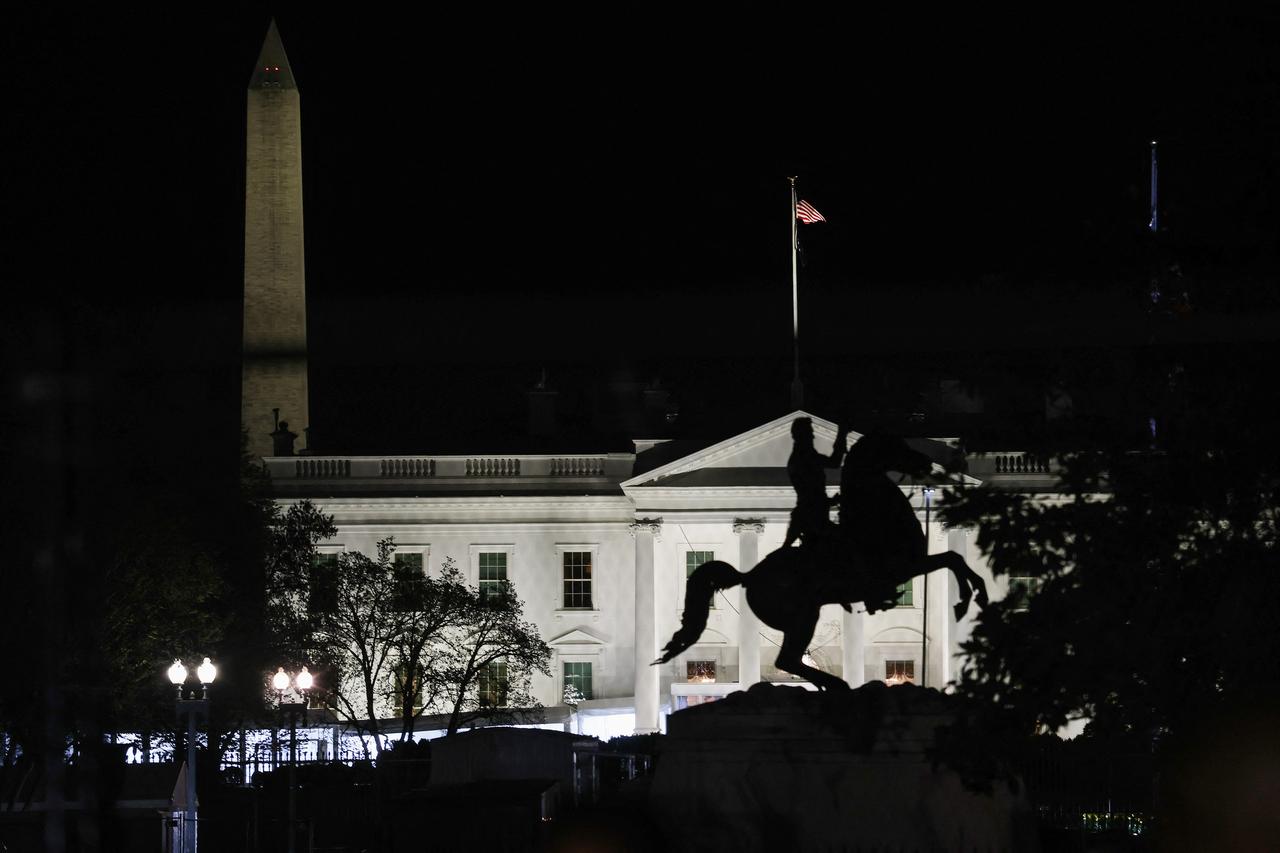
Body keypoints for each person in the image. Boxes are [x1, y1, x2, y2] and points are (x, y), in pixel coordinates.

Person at [782, 418, 849, 549]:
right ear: (803, 435)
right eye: (810, 432)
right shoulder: (804, 458)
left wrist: (831, 501)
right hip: (814, 519)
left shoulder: (803, 456)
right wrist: (842, 434)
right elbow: (834, 462)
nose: (813, 436)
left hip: (812, 514)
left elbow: (812, 494)